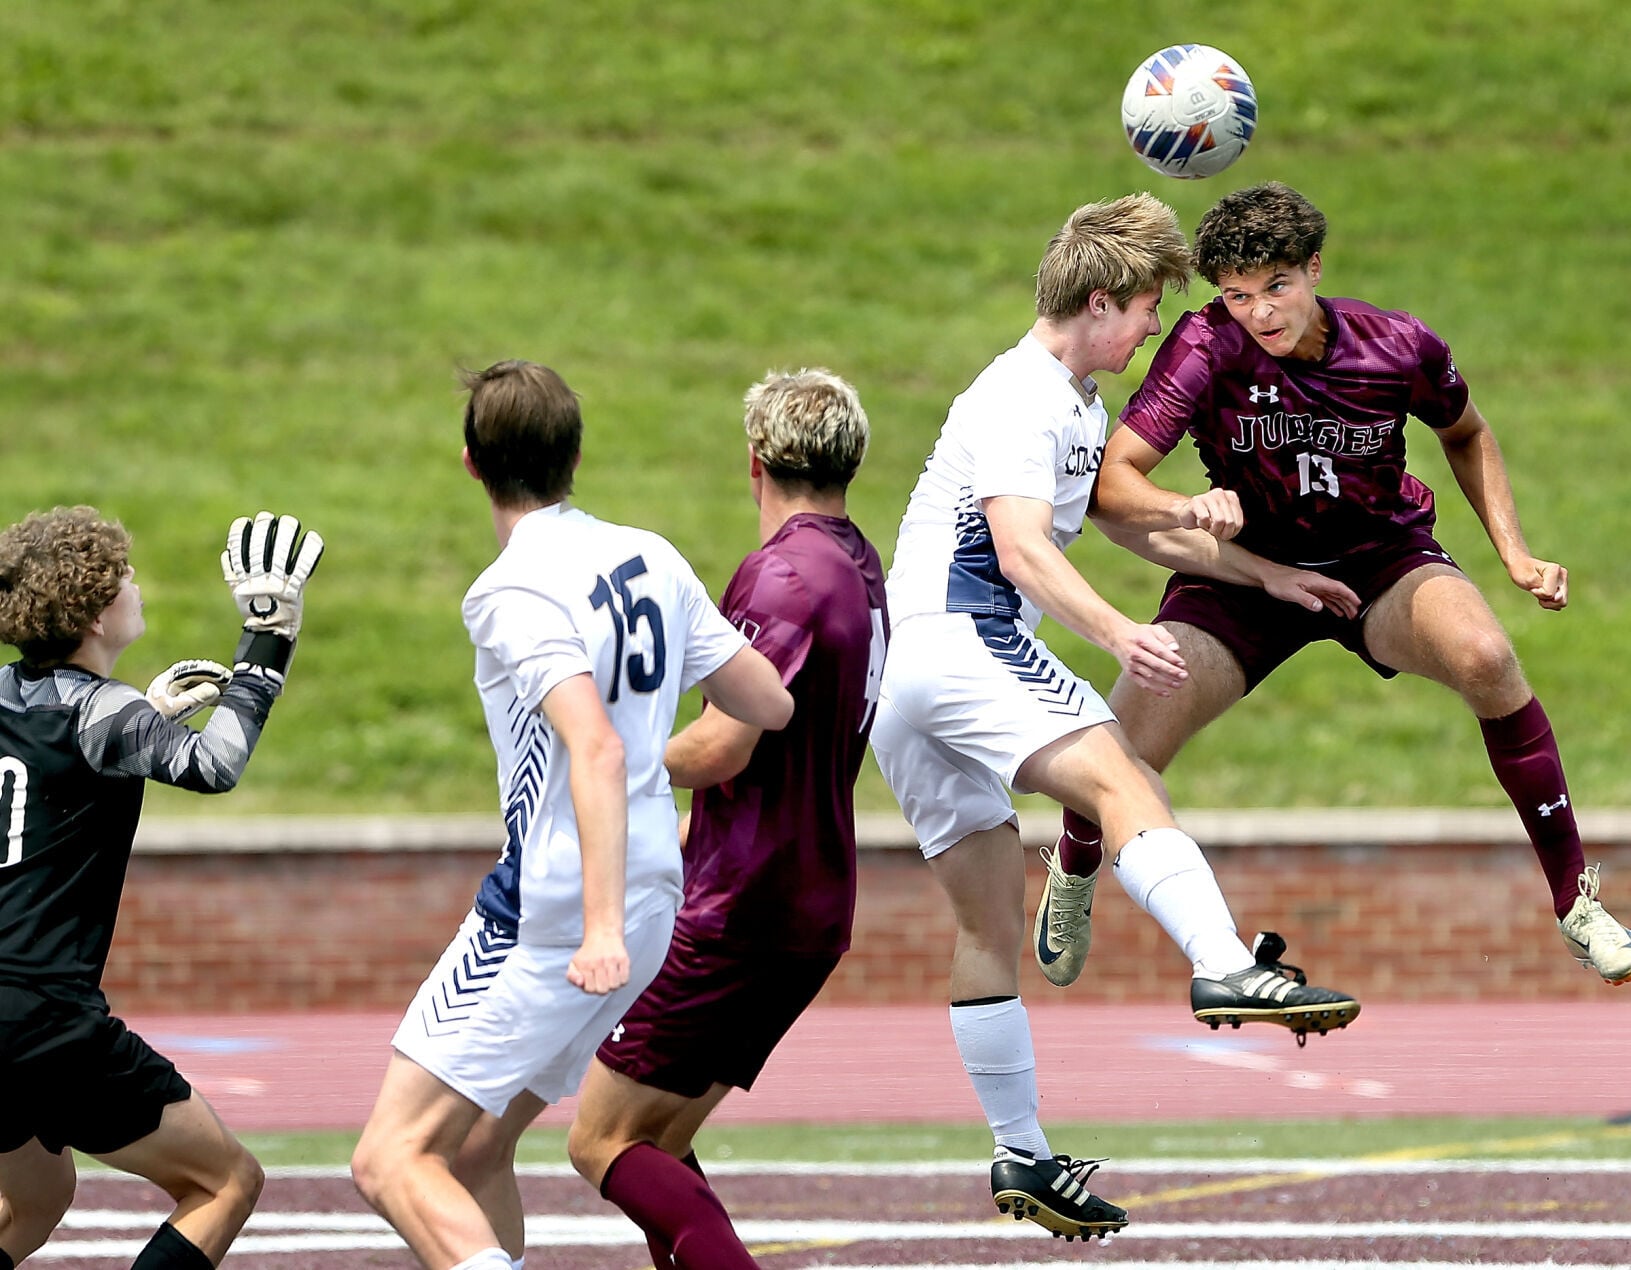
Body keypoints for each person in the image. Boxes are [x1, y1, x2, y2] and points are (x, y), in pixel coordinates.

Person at [869, 193, 1362, 1242]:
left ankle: (1021, 1154)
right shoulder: (1023, 396)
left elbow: (1137, 535)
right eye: (1146, 310)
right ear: (1098, 300)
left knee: (987, 919)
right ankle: (1224, 963)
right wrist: (1112, 634)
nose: (1153, 332)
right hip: (963, 639)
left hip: (903, 678)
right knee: (1124, 781)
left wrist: (1264, 575)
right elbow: (1018, 550)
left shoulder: (1073, 404)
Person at [1072, 180, 1631, 989]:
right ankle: (1076, 866)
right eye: (1236, 296)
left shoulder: (1397, 346)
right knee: (1123, 742)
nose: (1259, 313)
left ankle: (1576, 905)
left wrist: (1512, 551)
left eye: (1276, 288)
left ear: (1313, 269)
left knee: (1484, 656)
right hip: (1249, 575)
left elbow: (1466, 432)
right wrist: (1185, 504)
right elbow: (1113, 483)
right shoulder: (1201, 346)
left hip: (1378, 559)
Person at [349, 360, 794, 1270]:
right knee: (473, 1151)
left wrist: (594, 929)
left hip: (554, 913)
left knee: (389, 1158)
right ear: (575, 454)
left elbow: (593, 746)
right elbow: (767, 700)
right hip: (651, 896)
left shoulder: (510, 591)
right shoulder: (650, 554)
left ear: (471, 463)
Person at [0, 504, 323, 1270]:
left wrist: (142, 716)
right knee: (226, 1182)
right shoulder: (102, 713)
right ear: (94, 612)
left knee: (33, 1200)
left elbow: (53, 767)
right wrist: (268, 640)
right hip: (44, 1014)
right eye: (123, 578)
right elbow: (215, 766)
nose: (136, 585)